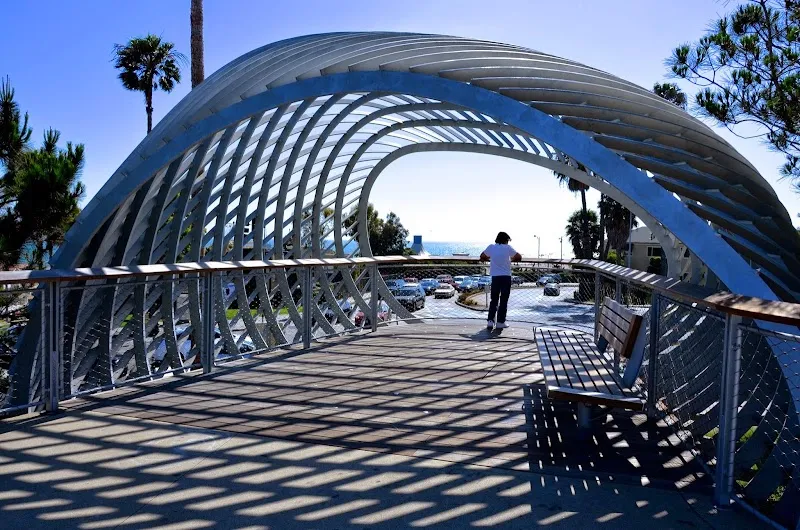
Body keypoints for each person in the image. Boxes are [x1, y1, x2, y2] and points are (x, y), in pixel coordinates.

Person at [480, 231, 522, 329]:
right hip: (506, 277)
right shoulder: (508, 248)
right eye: (507, 240)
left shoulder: (491, 247)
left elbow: (482, 256)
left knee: (493, 299)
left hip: (495, 277)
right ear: (505, 240)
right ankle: (500, 322)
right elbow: (519, 257)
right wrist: (511, 260)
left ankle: (490, 321)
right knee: (503, 300)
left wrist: (490, 258)